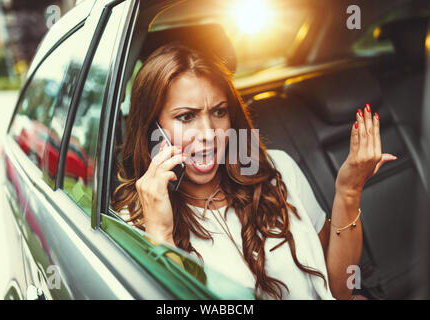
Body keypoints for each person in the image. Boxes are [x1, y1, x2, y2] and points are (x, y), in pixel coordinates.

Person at [112, 43, 397, 300]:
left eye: (219, 112)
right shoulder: (136, 223)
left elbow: (338, 288)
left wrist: (348, 192)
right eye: (186, 116)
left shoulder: (277, 169)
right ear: (153, 130)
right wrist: (160, 233)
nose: (209, 133)